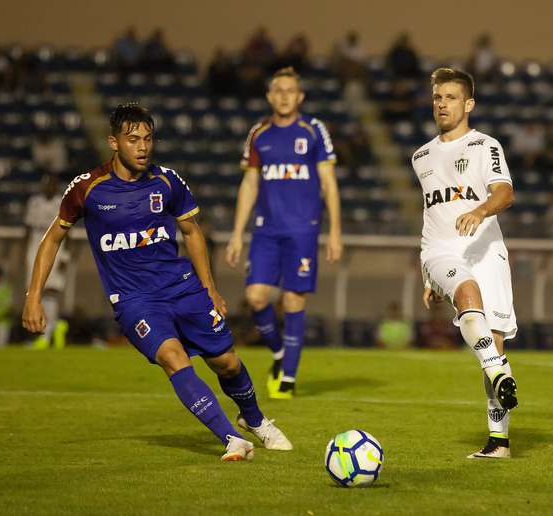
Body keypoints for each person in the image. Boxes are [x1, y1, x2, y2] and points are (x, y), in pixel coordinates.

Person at [22, 104, 292, 461]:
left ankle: (255, 421)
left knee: (226, 362)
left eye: (148, 139)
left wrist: (209, 287)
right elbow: (52, 238)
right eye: (133, 139)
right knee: (172, 356)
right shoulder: (88, 188)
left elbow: (192, 232)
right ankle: (230, 437)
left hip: (181, 287)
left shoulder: (167, 180)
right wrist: (33, 296)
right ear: (114, 142)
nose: (143, 147)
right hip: (135, 300)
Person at [412, 68, 519, 459]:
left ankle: (499, 442)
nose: (442, 103)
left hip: (486, 248)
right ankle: (498, 371)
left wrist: (479, 210)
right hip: (441, 250)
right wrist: (429, 273)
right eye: (438, 97)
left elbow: (505, 193)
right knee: (466, 294)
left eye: (451, 97)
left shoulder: (485, 145)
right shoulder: (421, 156)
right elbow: (429, 215)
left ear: (468, 104)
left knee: (493, 342)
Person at [226, 67, 343, 399]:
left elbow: (328, 183)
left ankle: (288, 379)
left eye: (290, 90)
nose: (284, 96)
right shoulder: (259, 133)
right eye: (278, 90)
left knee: (293, 299)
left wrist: (335, 231)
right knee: (255, 297)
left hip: (303, 230)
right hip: (265, 230)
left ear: (300, 96)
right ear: (269, 96)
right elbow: (249, 183)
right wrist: (237, 233)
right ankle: (279, 352)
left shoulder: (314, 130)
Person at [24, 174, 70, 350]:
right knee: (34, 289)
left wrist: (65, 255)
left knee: (51, 290)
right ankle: (55, 326)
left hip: (56, 244)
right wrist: (24, 253)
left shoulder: (62, 201)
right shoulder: (34, 202)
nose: (49, 187)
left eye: (52, 184)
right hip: (35, 242)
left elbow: (69, 230)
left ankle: (47, 334)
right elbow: (27, 227)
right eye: (46, 184)